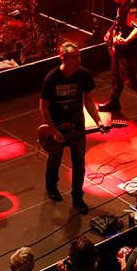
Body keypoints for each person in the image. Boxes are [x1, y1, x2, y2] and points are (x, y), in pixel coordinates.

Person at [39, 41, 106, 214]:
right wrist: (53, 130)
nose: (79, 59)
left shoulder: (84, 75)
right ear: (63, 58)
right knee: (54, 160)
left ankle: (78, 197)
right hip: (57, 127)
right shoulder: (51, 78)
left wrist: (98, 121)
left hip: (77, 128)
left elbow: (89, 101)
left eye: (79, 55)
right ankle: (51, 186)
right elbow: (44, 106)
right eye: (74, 57)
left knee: (79, 164)